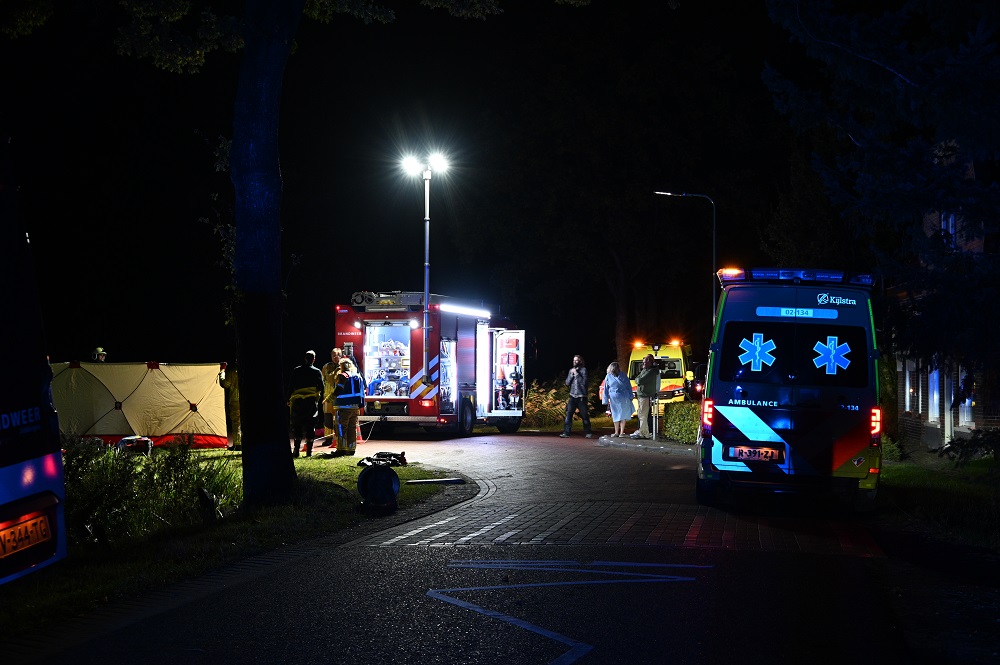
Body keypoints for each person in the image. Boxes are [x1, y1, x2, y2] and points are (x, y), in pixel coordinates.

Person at [287, 350, 324, 457]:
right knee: (310, 425)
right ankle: (309, 452)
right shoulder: (317, 371)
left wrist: (288, 398)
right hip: (311, 402)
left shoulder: (296, 370)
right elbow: (322, 387)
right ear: (314, 359)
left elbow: (291, 385)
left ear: (305, 358)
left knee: (297, 425)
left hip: (297, 402)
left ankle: (296, 451)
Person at [333, 358, 365, 455]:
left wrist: (329, 399)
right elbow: (362, 392)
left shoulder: (342, 376)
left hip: (343, 407)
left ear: (341, 366)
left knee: (341, 428)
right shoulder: (358, 376)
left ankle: (341, 449)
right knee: (352, 428)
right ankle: (351, 449)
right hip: (355, 407)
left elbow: (338, 389)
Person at [560, 354, 592, 438]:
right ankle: (566, 433)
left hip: (581, 396)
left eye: (576, 360)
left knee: (584, 415)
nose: (575, 362)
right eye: (574, 360)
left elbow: (584, 383)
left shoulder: (584, 370)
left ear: (580, 361)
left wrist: (576, 374)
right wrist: (571, 374)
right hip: (572, 396)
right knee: (569, 414)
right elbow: (567, 383)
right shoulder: (571, 370)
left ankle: (588, 432)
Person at [631, 354, 660, 440]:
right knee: (641, 414)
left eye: (644, 363)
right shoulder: (646, 370)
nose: (643, 365)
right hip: (642, 395)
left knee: (643, 415)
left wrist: (638, 380)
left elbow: (639, 380)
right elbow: (637, 379)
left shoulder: (650, 372)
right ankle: (644, 431)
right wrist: (638, 379)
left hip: (645, 395)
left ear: (649, 363)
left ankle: (643, 433)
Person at [602, 361, 633, 438]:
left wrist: (605, 399)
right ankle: (619, 432)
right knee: (620, 414)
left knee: (619, 414)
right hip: (620, 397)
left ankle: (619, 432)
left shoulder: (611, 376)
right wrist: (630, 396)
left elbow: (606, 389)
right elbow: (628, 386)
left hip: (618, 397)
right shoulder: (615, 376)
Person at [321, 347, 344, 437]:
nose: (335, 357)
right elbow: (327, 379)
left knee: (340, 417)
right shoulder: (327, 367)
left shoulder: (344, 366)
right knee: (328, 417)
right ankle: (328, 437)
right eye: (333, 355)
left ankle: (339, 437)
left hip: (340, 397)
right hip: (328, 396)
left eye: (337, 355)